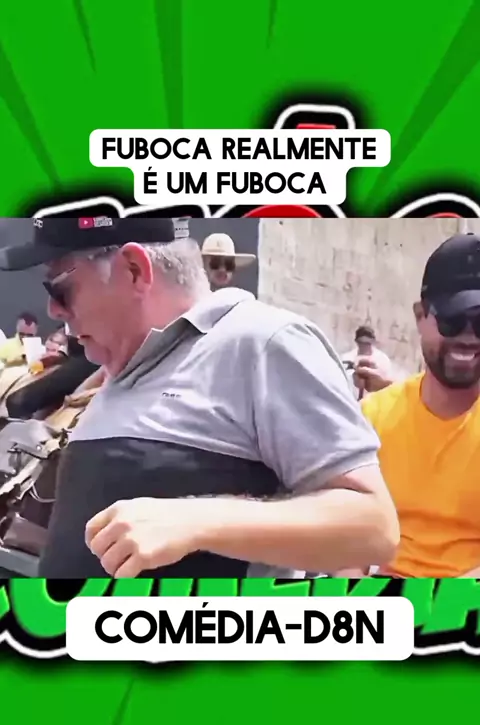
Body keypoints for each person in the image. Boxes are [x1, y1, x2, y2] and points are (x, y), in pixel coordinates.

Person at [0, 216, 399, 579]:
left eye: (60, 287)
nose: (53, 309)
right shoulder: (120, 364)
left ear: (134, 270)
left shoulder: (263, 343)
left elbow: (373, 527)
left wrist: (196, 521)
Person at [358, 233, 480, 578]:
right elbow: (348, 543)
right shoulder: (372, 420)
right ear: (420, 315)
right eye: (452, 319)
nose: (468, 336)